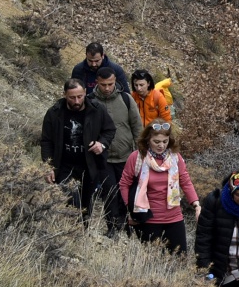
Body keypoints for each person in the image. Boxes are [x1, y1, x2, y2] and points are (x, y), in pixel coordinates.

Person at [41, 79, 115, 222]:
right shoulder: (54, 113)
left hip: (89, 165)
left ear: (85, 92)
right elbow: (46, 141)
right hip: (64, 165)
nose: (76, 101)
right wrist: (47, 165)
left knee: (86, 205)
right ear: (64, 95)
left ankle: (83, 230)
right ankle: (71, 228)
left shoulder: (97, 109)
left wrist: (101, 144)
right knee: (71, 199)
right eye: (72, 97)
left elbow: (109, 130)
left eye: (80, 96)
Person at [120, 122, 199, 253]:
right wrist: (130, 209)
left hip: (174, 217)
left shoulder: (175, 157)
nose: (161, 145)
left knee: (180, 258)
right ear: (148, 140)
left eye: (165, 141)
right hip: (148, 218)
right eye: (156, 141)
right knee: (153, 259)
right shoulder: (137, 158)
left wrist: (196, 204)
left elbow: (185, 181)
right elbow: (124, 184)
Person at [92, 70, 143, 231]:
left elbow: (137, 126)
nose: (107, 88)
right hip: (103, 159)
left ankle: (126, 224)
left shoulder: (126, 99)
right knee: (109, 193)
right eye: (103, 85)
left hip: (126, 157)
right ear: (97, 82)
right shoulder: (91, 101)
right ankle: (113, 227)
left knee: (125, 193)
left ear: (115, 81)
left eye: (110, 84)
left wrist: (141, 152)